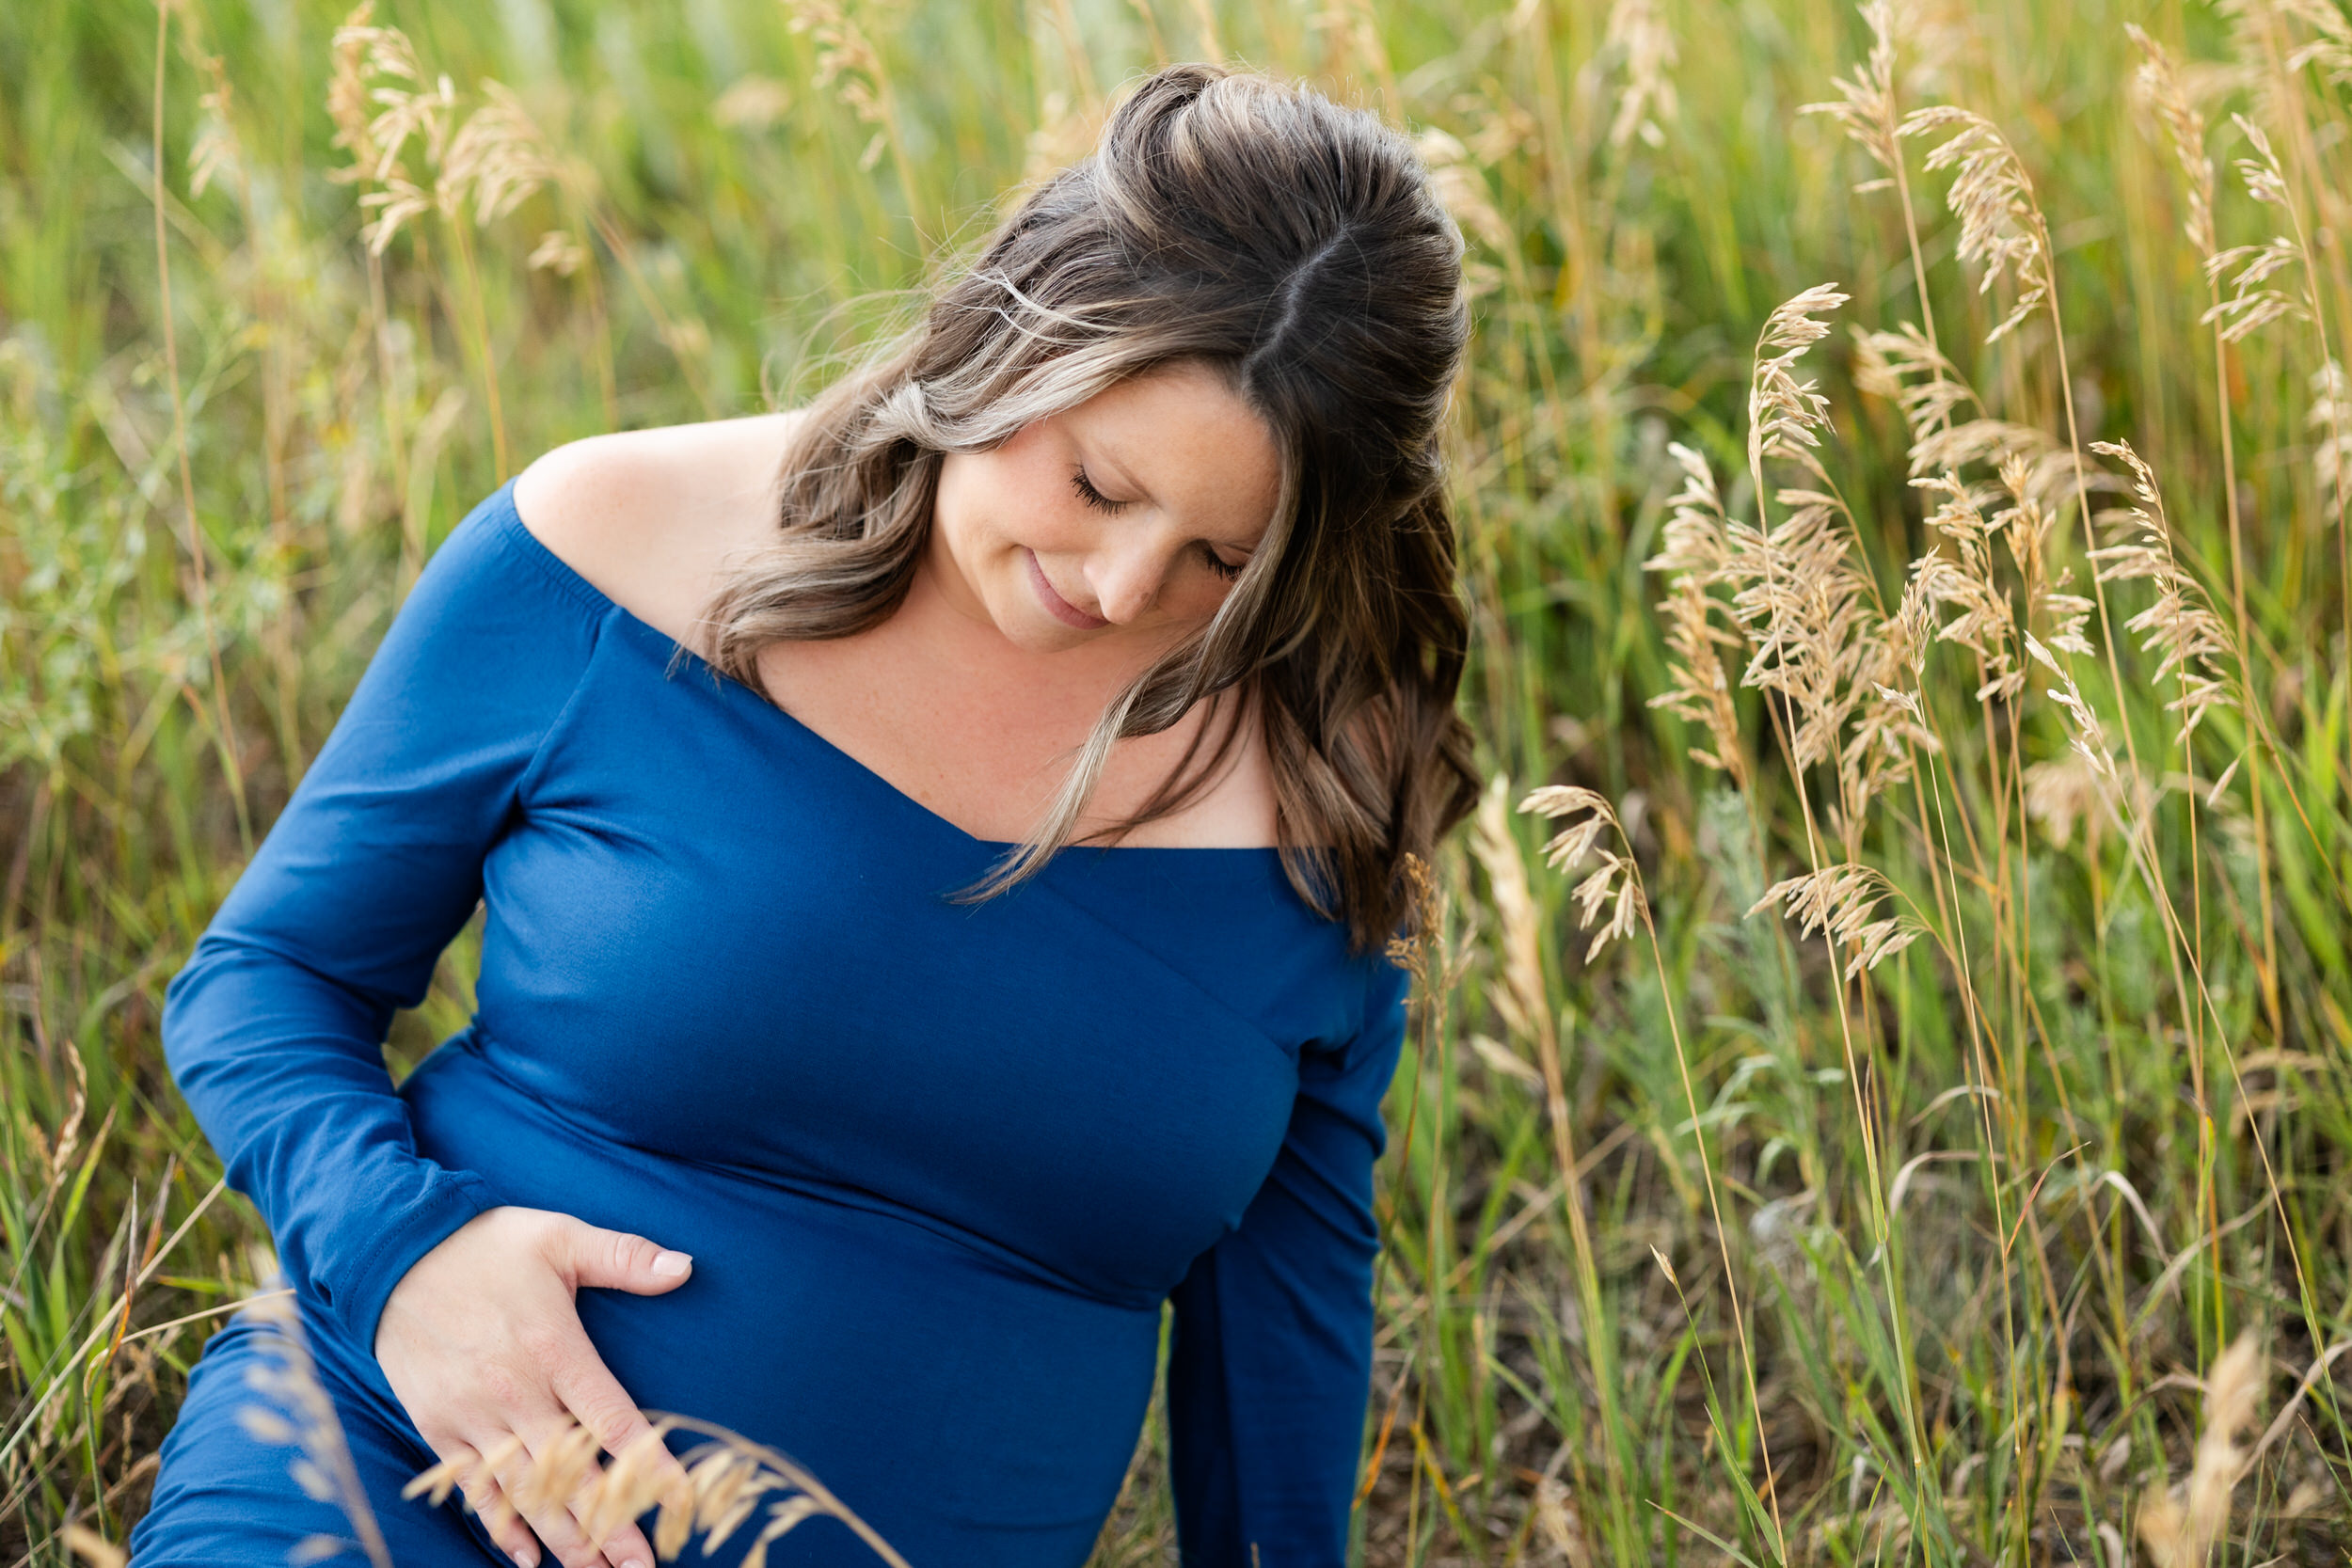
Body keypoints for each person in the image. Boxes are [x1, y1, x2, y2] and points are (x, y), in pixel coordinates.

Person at [131, 60, 1476, 1568]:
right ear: (1013, 326)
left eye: (1220, 560)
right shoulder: (613, 544)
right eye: (1098, 484)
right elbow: (266, 980)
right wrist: (403, 1256)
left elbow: (1283, 1328)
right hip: (405, 1459)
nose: (1119, 589)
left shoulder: (1324, 773)